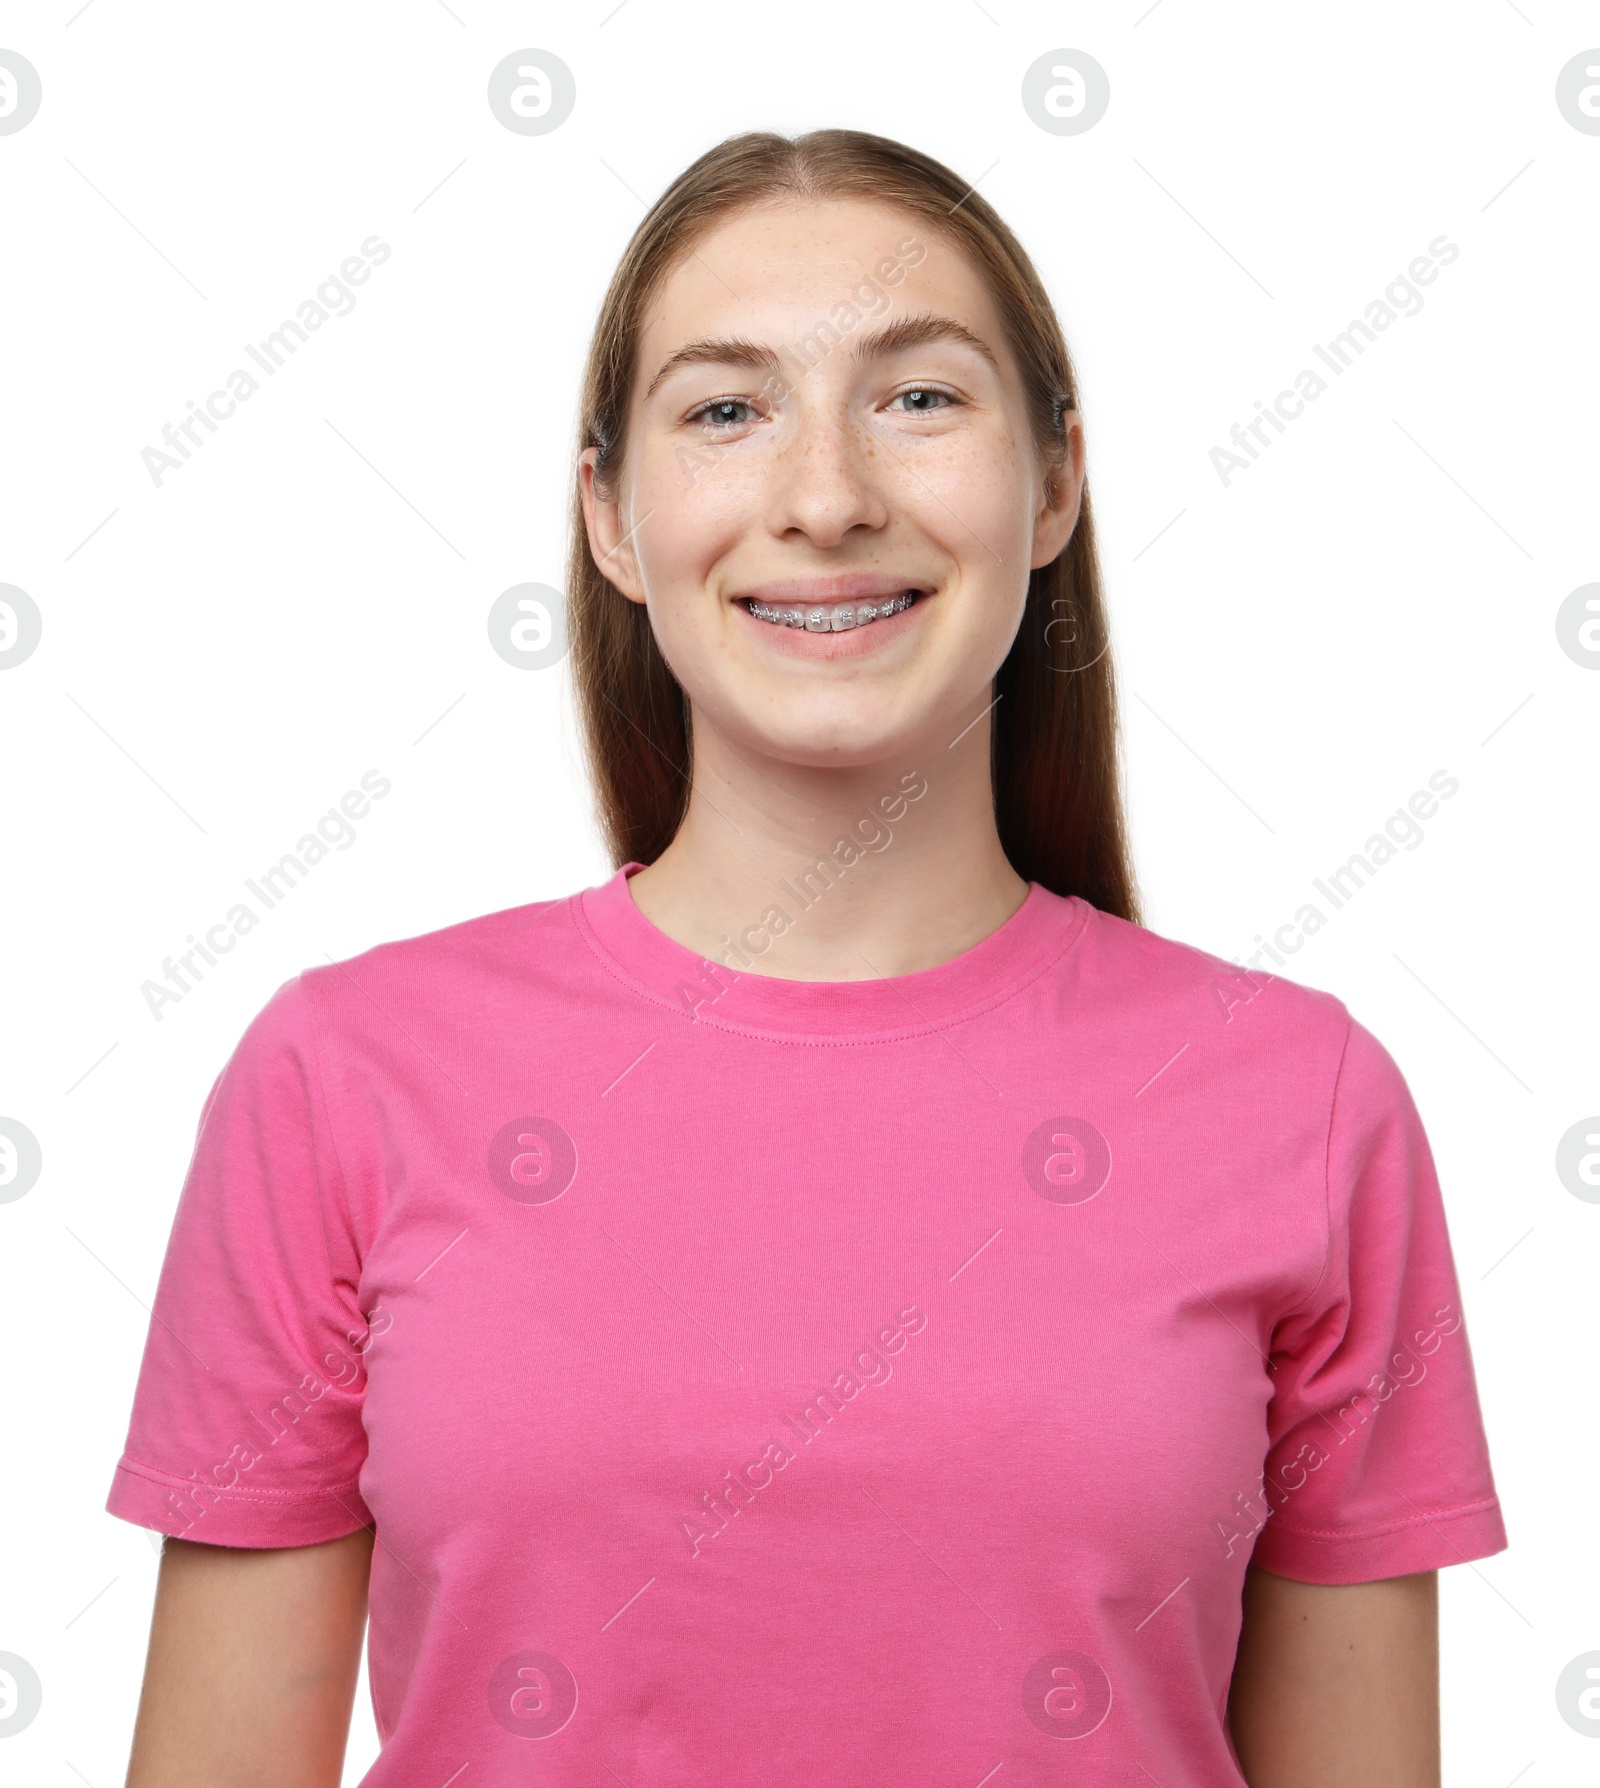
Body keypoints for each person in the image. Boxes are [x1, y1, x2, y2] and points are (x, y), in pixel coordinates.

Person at [110, 129, 1507, 1788]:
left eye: (919, 398)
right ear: (613, 521)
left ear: (1055, 483)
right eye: (725, 409)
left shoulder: (1301, 1098)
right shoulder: (340, 1080)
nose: (828, 493)